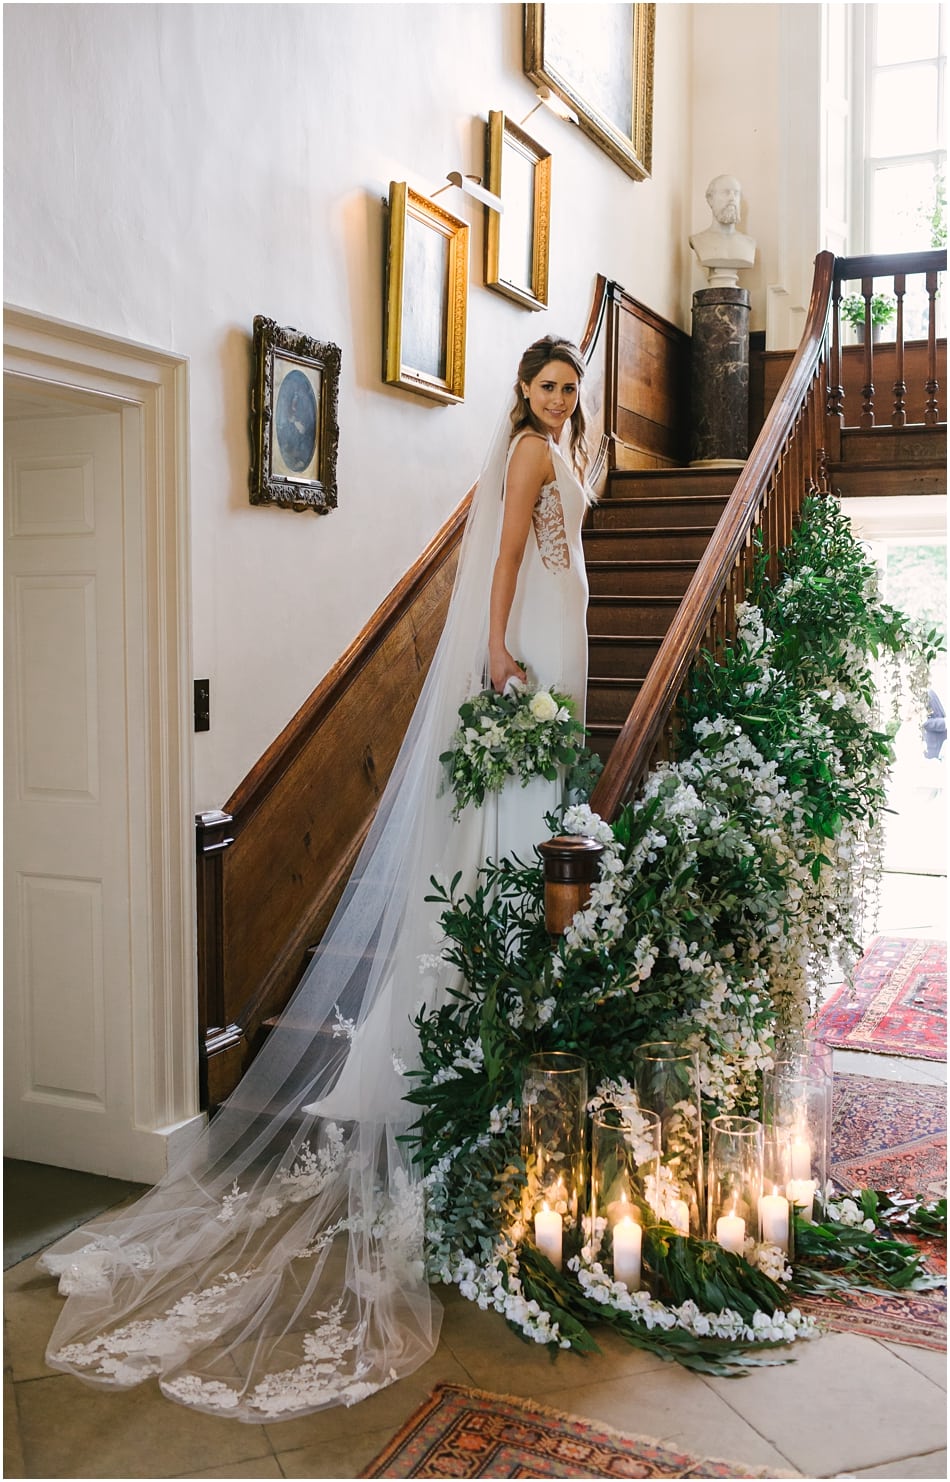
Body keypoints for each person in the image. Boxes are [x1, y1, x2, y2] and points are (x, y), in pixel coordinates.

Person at [37, 336, 592, 1421]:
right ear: (520, 395)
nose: (560, 401)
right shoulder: (529, 451)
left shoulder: (561, 449)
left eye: (569, 386)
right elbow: (513, 558)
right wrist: (495, 649)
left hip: (551, 643)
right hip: (521, 641)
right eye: (546, 386)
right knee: (514, 819)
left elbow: (561, 543)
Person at [689, 173, 757, 288]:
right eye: (726, 192)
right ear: (710, 199)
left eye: (736, 193)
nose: (732, 198)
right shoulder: (698, 240)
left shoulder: (749, 244)